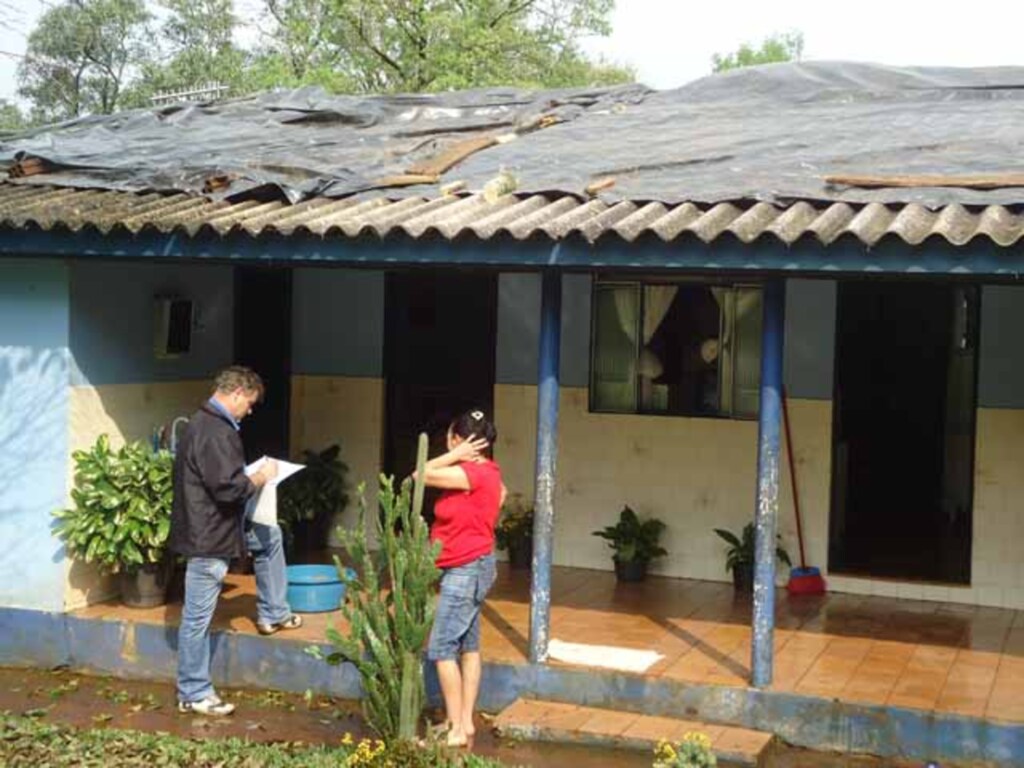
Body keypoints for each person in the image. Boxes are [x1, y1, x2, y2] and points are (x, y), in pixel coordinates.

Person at [170, 365, 303, 717]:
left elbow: (218, 478)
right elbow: (228, 488)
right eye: (251, 403)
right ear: (237, 394)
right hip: (209, 537)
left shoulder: (206, 424)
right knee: (197, 618)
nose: (251, 410)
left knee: (269, 537)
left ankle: (273, 612)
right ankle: (194, 691)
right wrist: (260, 476)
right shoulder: (215, 431)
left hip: (216, 528)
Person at [420, 409, 506, 748]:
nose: (447, 440)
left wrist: (452, 457)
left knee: (441, 648)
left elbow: (419, 474)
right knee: (468, 646)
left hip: (467, 568)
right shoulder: (488, 474)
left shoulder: (469, 473)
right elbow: (501, 495)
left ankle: (455, 729)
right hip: (472, 564)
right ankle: (464, 722)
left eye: (451, 437)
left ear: (461, 440)